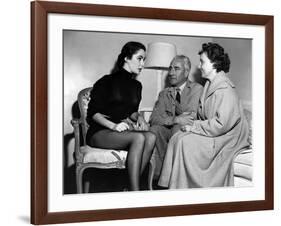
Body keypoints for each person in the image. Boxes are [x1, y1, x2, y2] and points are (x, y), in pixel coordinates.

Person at [158, 42, 250, 189]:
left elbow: (221, 125)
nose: (199, 66)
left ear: (214, 64)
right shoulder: (209, 85)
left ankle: (182, 188)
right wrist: (190, 124)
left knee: (185, 142)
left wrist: (193, 126)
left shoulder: (225, 88)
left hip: (227, 138)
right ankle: (171, 187)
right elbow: (204, 116)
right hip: (215, 132)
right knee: (177, 137)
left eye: (202, 62)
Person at [86, 41, 156, 191]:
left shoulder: (137, 86)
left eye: (144, 59)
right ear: (126, 58)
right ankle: (134, 192)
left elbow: (131, 112)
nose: (142, 64)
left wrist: (140, 118)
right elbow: (92, 113)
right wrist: (114, 126)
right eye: (139, 58)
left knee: (151, 137)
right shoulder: (106, 81)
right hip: (100, 131)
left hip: (120, 132)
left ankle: (127, 185)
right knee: (139, 137)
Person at [149, 55, 203, 184]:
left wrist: (174, 121)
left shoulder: (197, 89)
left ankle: (173, 178)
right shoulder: (164, 93)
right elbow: (154, 119)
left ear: (186, 71)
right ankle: (159, 176)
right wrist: (175, 119)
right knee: (154, 130)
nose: (171, 73)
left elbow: (190, 117)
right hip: (172, 129)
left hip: (190, 132)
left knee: (177, 129)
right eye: (170, 68)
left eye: (176, 69)